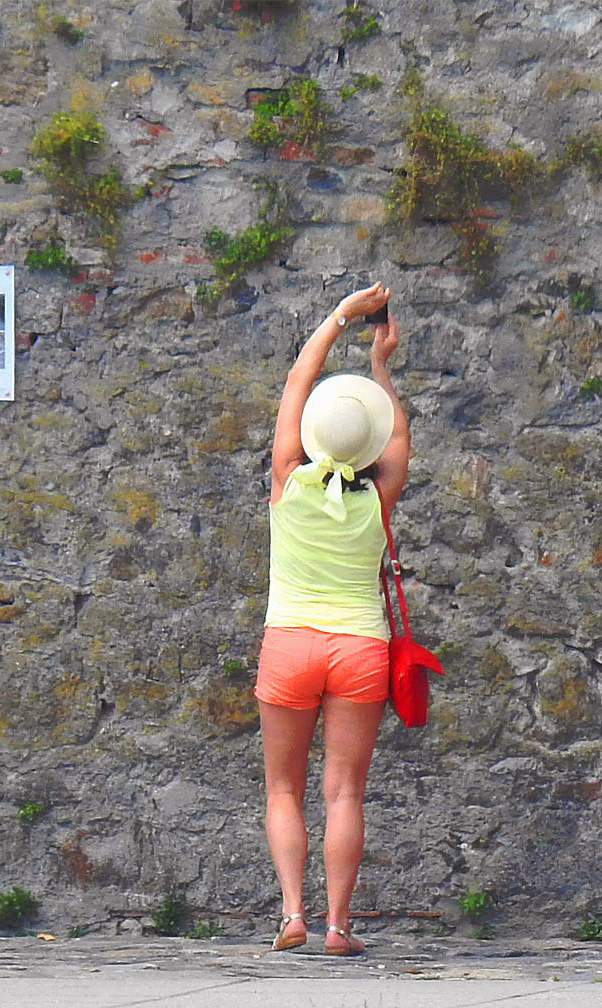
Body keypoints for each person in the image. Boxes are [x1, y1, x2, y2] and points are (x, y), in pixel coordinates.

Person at [256, 282, 410, 957]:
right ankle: (338, 928)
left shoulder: (287, 479)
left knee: (282, 785)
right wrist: (381, 366)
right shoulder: (380, 495)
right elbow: (399, 432)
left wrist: (341, 317)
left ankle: (292, 913)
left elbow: (298, 377)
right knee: (344, 791)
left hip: (288, 642)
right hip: (359, 647)